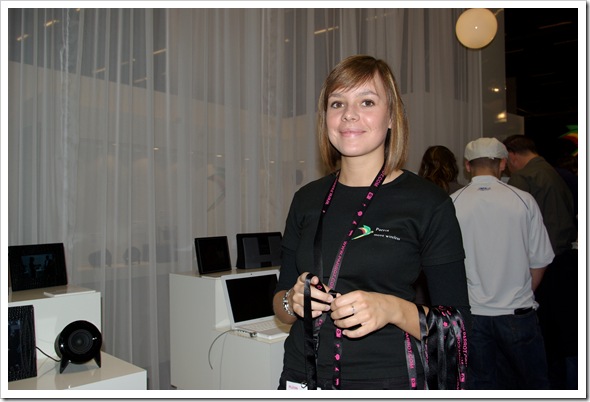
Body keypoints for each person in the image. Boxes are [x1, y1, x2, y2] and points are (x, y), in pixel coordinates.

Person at [273, 55, 470, 391]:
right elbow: (280, 304)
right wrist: (292, 301)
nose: (349, 114)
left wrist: (391, 308)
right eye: (337, 103)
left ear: (391, 117)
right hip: (301, 376)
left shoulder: (428, 203)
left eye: (366, 102)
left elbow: (459, 326)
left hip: (386, 379)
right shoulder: (306, 198)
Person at [450, 137, 554, 389]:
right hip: (517, 312)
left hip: (473, 314)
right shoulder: (523, 200)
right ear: (503, 164)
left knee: (480, 386)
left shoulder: (452, 202)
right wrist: (522, 293)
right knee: (532, 386)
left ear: (467, 165)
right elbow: (540, 260)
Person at [502, 134, 578, 389]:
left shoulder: (524, 179)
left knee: (544, 336)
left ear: (512, 155)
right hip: (565, 261)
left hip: (543, 266)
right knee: (568, 335)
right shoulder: (557, 173)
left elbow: (515, 232)